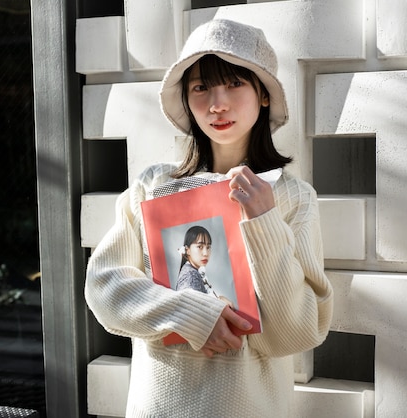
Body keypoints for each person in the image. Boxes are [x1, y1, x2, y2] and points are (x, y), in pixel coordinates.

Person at [84, 18, 333, 418]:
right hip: (160, 406)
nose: (217, 103)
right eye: (201, 87)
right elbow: (104, 287)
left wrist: (264, 221)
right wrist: (190, 312)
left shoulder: (292, 198)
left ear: (264, 94)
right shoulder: (153, 185)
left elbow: (295, 333)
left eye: (234, 83)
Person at [175, 225, 214, 294]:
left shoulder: (193, 271)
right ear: (187, 250)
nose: (205, 253)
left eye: (208, 247)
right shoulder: (190, 276)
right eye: (200, 247)